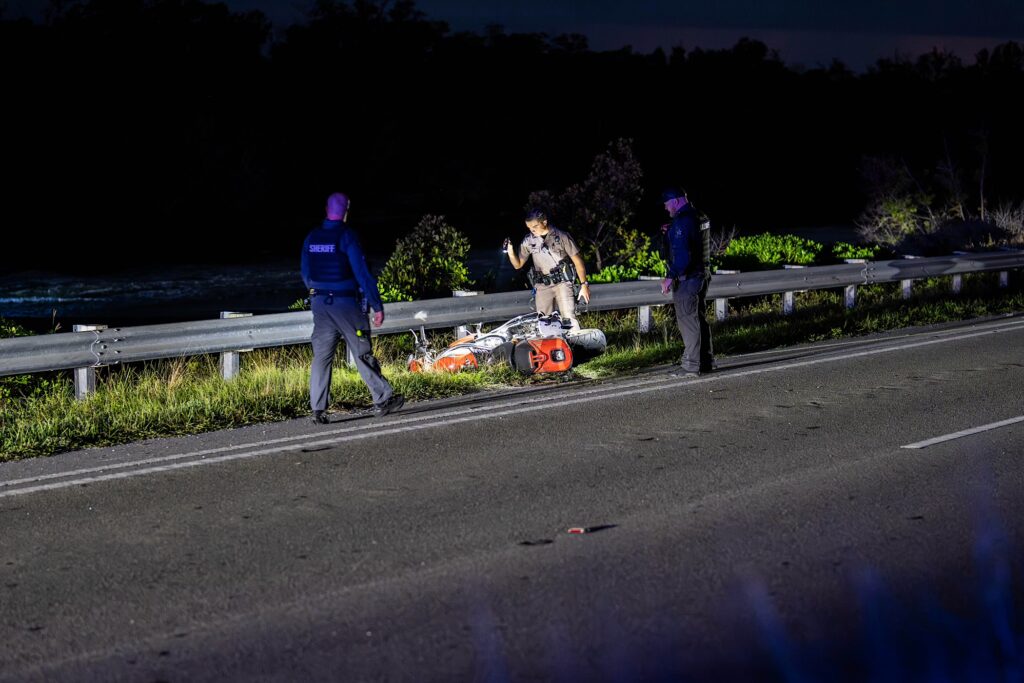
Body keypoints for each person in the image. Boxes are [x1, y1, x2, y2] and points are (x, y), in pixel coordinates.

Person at [301, 192, 403, 423]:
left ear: (326, 210)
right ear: (346, 211)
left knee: (322, 357)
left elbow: (306, 274)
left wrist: (318, 291)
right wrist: (376, 305)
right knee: (361, 350)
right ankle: (383, 398)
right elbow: (362, 274)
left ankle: (318, 409)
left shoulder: (312, 237)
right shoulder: (347, 236)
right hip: (346, 303)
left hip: (320, 305)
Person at [504, 209, 590, 332]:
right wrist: (510, 251)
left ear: (544, 222)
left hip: (562, 283)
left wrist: (584, 284)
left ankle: (575, 346)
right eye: (529, 227)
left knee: (569, 319)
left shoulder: (561, 236)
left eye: (535, 226)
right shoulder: (529, 241)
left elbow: (578, 261)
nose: (532, 230)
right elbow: (518, 265)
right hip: (543, 285)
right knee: (544, 322)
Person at [660, 188, 714, 376]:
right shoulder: (700, 216)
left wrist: (670, 276)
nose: (667, 209)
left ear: (674, 201)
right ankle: (705, 360)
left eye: (667, 205)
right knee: (698, 318)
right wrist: (671, 232)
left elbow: (683, 255)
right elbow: (695, 242)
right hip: (703, 274)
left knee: (687, 321)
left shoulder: (683, 221)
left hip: (688, 278)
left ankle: (691, 365)